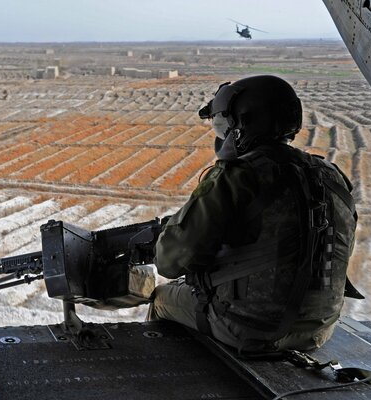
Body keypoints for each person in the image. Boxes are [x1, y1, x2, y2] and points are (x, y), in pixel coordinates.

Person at [148, 75, 359, 353]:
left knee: (162, 297)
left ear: (241, 124)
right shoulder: (330, 175)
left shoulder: (238, 175)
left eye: (224, 124)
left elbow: (170, 262)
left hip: (250, 327)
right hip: (318, 329)